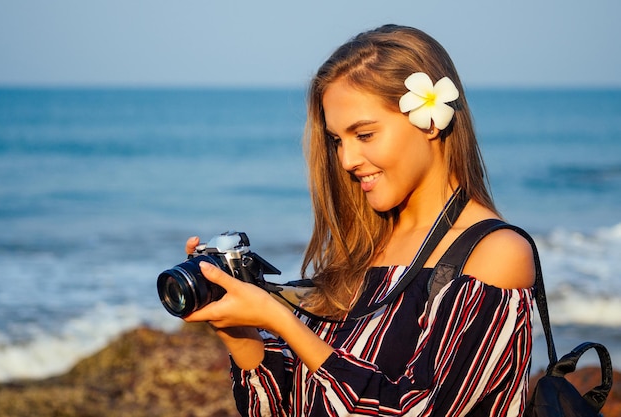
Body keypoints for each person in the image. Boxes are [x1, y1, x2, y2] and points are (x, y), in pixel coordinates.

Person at [184, 24, 536, 416]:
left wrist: (283, 323)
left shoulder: (494, 256)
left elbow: (414, 410)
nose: (347, 160)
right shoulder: (364, 247)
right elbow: (289, 407)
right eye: (337, 140)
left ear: (431, 121)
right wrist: (238, 328)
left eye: (364, 135)